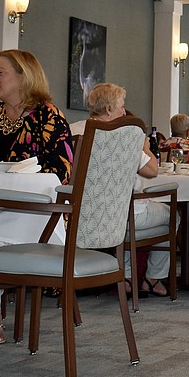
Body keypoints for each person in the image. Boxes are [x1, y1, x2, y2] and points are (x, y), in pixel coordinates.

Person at [0, 49, 73, 345]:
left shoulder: (48, 116)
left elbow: (61, 168)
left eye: (0, 72)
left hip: (36, 212)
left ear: (23, 77)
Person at [71, 83, 174, 297]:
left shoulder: (73, 130)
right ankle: (153, 277)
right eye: (121, 106)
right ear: (109, 109)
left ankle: (126, 276)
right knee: (174, 215)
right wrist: (144, 146)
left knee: (126, 208)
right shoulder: (126, 136)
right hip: (120, 218)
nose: (124, 112)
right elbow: (152, 171)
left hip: (79, 215)